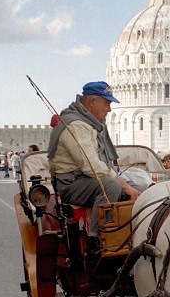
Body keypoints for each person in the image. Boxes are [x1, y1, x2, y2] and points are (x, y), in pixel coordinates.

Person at [48, 81, 142, 257]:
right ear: (92, 101)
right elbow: (91, 166)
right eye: (107, 103)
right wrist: (122, 184)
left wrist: (128, 185)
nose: (109, 109)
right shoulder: (76, 125)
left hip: (86, 179)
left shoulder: (88, 123)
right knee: (112, 186)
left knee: (139, 187)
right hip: (72, 184)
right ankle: (96, 239)